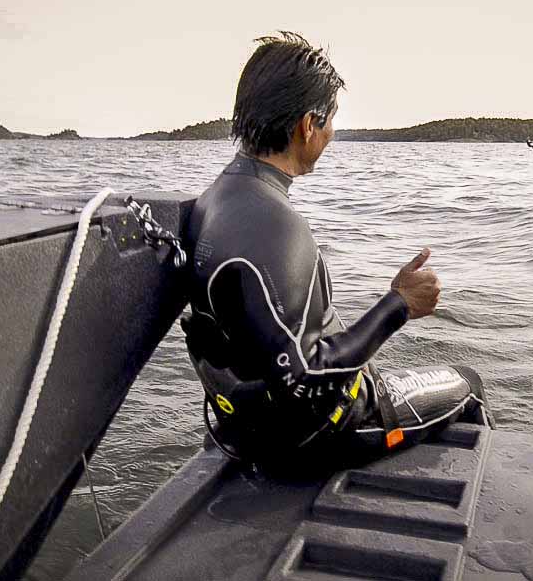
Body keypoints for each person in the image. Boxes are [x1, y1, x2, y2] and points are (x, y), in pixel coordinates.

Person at [181, 32, 488, 467]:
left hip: (248, 426)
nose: (332, 133)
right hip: (319, 433)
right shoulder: (276, 225)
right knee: (467, 382)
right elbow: (303, 377)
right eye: (331, 121)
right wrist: (399, 305)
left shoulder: (213, 201)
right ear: (308, 125)